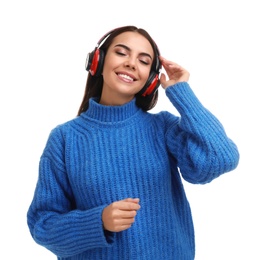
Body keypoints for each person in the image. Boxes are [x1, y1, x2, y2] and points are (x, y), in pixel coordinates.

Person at [27, 25, 240, 260]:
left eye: (144, 60)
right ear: (98, 60)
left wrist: (182, 93)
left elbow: (220, 158)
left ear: (151, 79)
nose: (131, 63)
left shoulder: (163, 128)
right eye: (121, 52)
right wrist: (98, 222)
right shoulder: (65, 139)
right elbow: (43, 224)